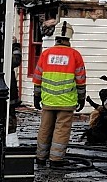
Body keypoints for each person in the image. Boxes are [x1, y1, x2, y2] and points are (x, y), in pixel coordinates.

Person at [32, 20, 86, 168]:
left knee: (45, 128)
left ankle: (41, 157)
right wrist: (81, 98)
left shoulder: (46, 54)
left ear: (56, 37)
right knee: (61, 130)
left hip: (48, 100)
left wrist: (36, 96)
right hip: (66, 101)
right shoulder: (75, 55)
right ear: (69, 38)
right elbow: (80, 80)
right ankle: (56, 159)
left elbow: (37, 77)